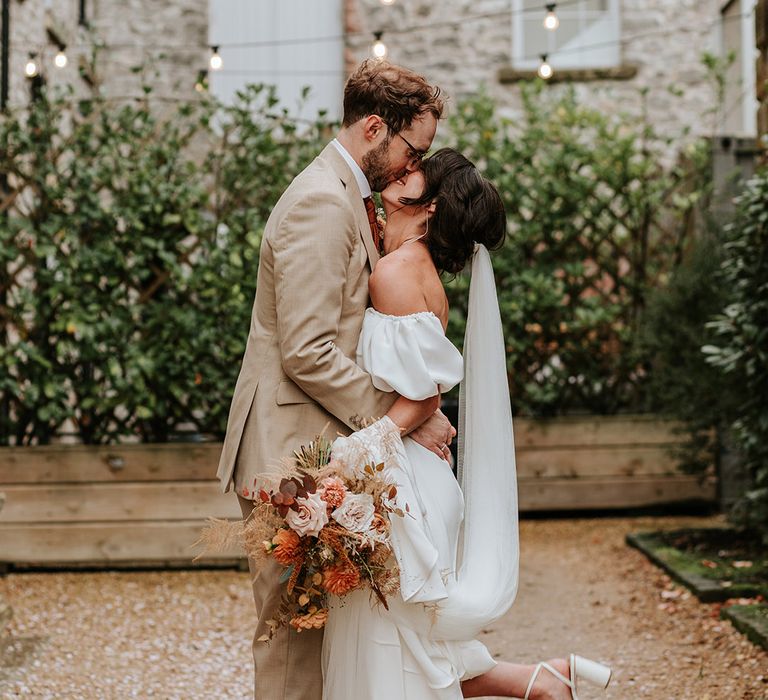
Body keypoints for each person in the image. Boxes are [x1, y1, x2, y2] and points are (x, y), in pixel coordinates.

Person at [320, 149, 613, 700]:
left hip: (406, 483)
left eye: (412, 172)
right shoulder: (410, 264)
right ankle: (543, 680)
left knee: (393, 651)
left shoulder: (394, 272)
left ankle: (542, 680)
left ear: (426, 204)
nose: (400, 168)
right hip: (420, 478)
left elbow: (422, 397)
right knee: (410, 644)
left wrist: (360, 448)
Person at [216, 60, 455, 700]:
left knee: (321, 637)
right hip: (286, 454)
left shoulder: (348, 194)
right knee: (293, 645)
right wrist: (405, 413)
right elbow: (308, 350)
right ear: (376, 128)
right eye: (412, 152)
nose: (413, 169)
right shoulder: (322, 202)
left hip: (320, 451)